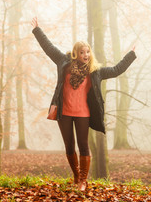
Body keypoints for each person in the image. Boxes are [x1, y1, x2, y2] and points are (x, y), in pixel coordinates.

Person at [31, 17, 136, 191]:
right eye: (82, 52)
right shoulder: (63, 62)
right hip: (63, 112)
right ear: (75, 53)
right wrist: (37, 30)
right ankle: (76, 176)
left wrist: (130, 55)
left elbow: (117, 70)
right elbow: (48, 48)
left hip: (83, 114)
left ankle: (83, 181)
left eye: (87, 52)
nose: (85, 55)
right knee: (69, 146)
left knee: (83, 145)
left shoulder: (96, 71)